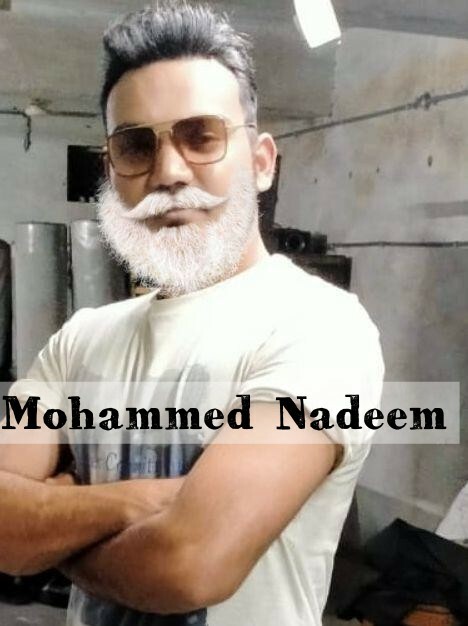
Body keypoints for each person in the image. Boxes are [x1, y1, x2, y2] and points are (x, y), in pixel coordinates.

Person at [0, 3, 384, 625]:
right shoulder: (78, 340)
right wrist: (135, 503)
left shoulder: (320, 327)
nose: (168, 172)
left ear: (261, 162)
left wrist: (49, 529)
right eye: (135, 145)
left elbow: (189, 565)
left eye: (201, 136)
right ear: (112, 172)